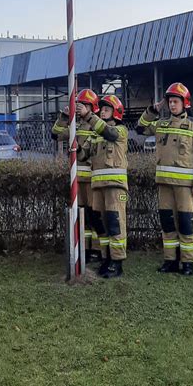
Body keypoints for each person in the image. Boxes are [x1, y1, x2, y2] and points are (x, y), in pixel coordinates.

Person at [136, 83, 193, 276]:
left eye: (176, 101)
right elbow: (140, 128)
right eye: (170, 102)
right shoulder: (161, 124)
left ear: (185, 103)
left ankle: (187, 263)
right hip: (165, 185)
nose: (172, 105)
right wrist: (153, 110)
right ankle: (170, 261)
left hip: (186, 187)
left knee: (186, 225)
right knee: (167, 225)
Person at [77, 94, 128, 278]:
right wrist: (75, 147)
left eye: (107, 109)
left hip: (115, 187)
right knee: (103, 226)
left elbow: (109, 132)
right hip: (98, 186)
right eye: (102, 109)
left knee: (116, 224)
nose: (103, 111)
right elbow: (83, 156)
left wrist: (88, 115)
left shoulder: (120, 131)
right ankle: (107, 258)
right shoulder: (94, 135)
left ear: (116, 112)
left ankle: (117, 262)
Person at [52, 90, 101, 262]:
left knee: (95, 215)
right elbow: (56, 134)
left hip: (93, 179)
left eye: (85, 105)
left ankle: (97, 250)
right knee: (83, 216)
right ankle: (85, 248)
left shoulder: (97, 125)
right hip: (78, 180)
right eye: (79, 105)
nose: (80, 108)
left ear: (92, 107)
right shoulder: (75, 125)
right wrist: (64, 117)